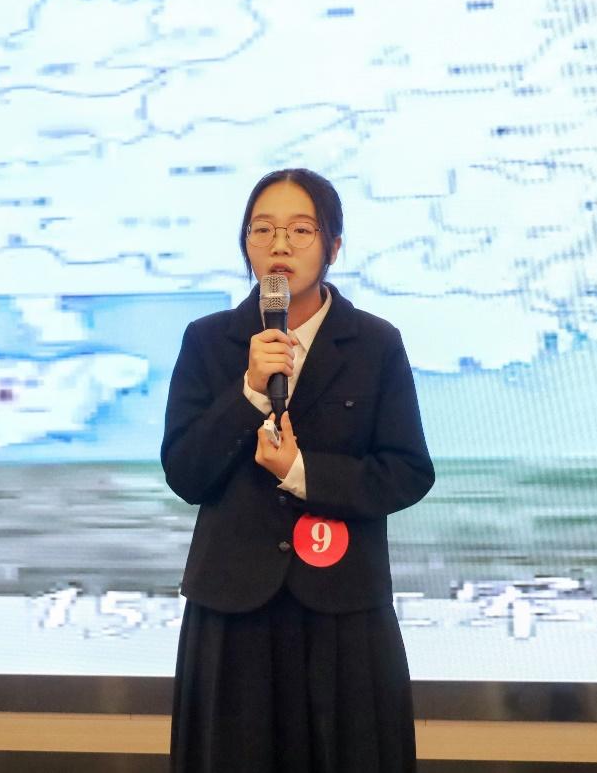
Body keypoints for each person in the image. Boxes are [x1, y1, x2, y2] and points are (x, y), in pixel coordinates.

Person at [161, 168, 435, 772]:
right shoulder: (208, 341)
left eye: (300, 230)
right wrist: (248, 392)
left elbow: (407, 471)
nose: (279, 245)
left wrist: (304, 473)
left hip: (343, 613)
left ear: (333, 246)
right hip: (232, 610)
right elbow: (185, 472)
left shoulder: (374, 343)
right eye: (262, 229)